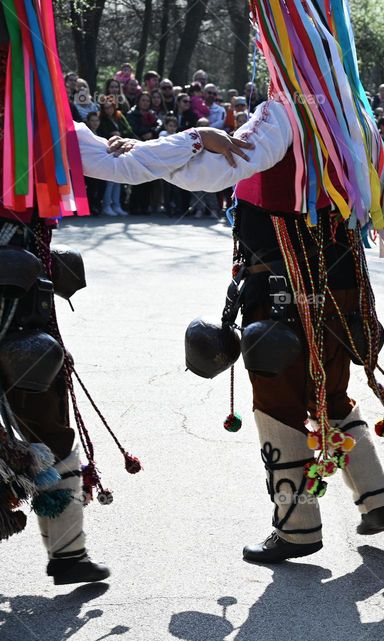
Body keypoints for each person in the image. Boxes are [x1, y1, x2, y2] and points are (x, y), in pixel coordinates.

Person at [0, 4, 251, 583]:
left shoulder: (48, 125)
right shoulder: (47, 124)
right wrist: (196, 136)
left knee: (44, 398)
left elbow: (133, 163)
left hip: (19, 290)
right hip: (19, 289)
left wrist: (196, 136)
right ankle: (67, 554)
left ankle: (68, 554)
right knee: (44, 404)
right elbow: (134, 166)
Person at [158, 0, 384, 563]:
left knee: (276, 397)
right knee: (330, 389)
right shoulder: (353, 120)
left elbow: (219, 170)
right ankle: (375, 496)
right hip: (339, 284)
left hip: (280, 284)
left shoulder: (280, 114)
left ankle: (296, 527)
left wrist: (159, 155)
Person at [96, 97, 135, 216]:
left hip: (120, 150)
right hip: (109, 151)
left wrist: (121, 136)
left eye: (111, 107)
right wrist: (111, 135)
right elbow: (101, 135)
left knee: (118, 180)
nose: (109, 110)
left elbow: (128, 130)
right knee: (110, 181)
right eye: (106, 108)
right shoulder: (101, 119)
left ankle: (117, 205)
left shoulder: (119, 117)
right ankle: (106, 205)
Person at [127, 93, 160, 215]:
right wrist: (143, 134)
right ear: (138, 101)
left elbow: (158, 125)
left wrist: (151, 132)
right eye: (143, 100)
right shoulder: (132, 114)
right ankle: (133, 207)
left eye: (147, 100)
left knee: (148, 179)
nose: (145, 102)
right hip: (137, 148)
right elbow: (131, 129)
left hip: (150, 149)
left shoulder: (152, 114)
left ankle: (145, 207)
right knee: (137, 178)